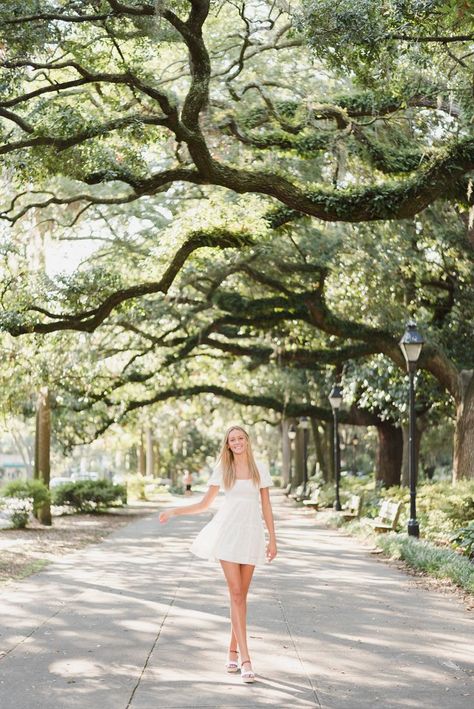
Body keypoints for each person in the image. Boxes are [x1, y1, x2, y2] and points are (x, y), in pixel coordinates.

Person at [159, 425, 277, 684]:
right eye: (232, 439)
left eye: (240, 438)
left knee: (241, 597)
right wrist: (174, 512)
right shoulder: (224, 469)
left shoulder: (260, 469)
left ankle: (232, 650)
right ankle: (246, 659)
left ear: (247, 440)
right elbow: (204, 504)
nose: (237, 442)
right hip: (227, 534)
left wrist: (273, 538)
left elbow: (266, 505)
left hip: (251, 534)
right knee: (235, 593)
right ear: (227, 444)